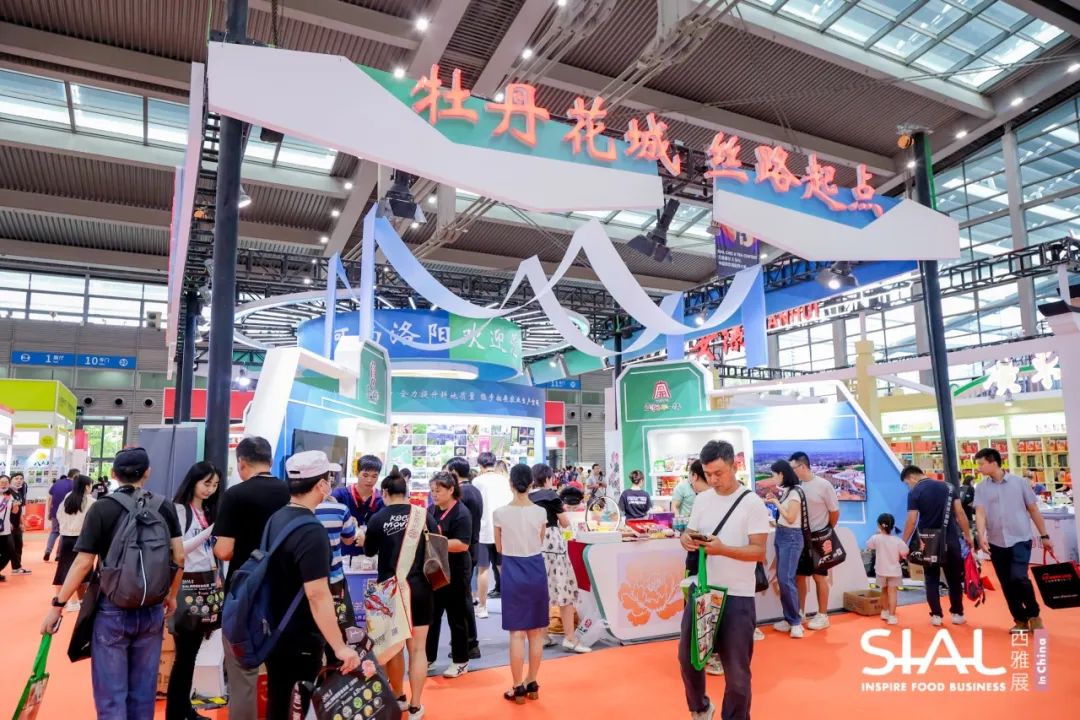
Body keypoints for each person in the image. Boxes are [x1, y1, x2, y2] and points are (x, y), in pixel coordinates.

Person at [41, 448, 185, 720]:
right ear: (147, 472)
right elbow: (179, 556)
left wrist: (57, 606)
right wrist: (172, 595)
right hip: (152, 608)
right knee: (143, 694)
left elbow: (83, 563)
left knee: (111, 696)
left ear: (113, 474)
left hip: (112, 608)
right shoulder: (164, 506)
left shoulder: (102, 508)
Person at [263, 451, 361, 720]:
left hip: (274, 628)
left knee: (279, 701)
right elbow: (317, 595)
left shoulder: (277, 518)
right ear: (321, 484)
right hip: (301, 634)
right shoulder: (311, 529)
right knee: (299, 704)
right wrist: (340, 647)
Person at [679, 441, 769, 720]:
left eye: (718, 473)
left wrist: (723, 549)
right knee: (689, 659)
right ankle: (700, 708)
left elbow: (759, 552)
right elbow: (690, 532)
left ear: (734, 466)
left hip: (738, 596)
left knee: (737, 674)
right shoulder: (703, 500)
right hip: (702, 591)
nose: (713, 480)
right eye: (708, 474)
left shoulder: (752, 503)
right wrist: (686, 539)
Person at [213, 436, 290, 720]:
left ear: (241, 463)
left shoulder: (235, 495)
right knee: (282, 675)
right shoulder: (290, 493)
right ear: (270, 460)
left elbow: (224, 550)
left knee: (243, 673)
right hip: (285, 591)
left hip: (246, 593)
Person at [363, 468, 437, 720]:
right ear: (406, 492)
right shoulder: (423, 515)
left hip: (389, 592)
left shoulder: (377, 518)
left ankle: (399, 697)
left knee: (393, 648)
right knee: (418, 650)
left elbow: (369, 551)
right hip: (421, 589)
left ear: (384, 492)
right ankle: (416, 705)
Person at [973, 448, 1054, 632]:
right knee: (1006, 582)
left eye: (981, 464)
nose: (978, 468)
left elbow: (1033, 509)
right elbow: (980, 512)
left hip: (1020, 538)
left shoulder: (1019, 483)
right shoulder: (981, 488)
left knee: (1019, 577)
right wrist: (981, 535)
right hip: (996, 541)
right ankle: (1020, 619)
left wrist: (1044, 536)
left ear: (993, 463)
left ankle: (1034, 615)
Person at [167, 462, 221, 720]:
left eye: (215, 485)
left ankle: (184, 709)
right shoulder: (180, 510)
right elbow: (180, 549)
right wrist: (210, 531)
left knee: (191, 655)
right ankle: (176, 713)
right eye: (206, 483)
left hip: (206, 585)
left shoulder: (207, 511)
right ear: (194, 481)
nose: (210, 489)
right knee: (184, 656)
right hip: (186, 585)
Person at [495, 464, 550, 703]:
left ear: (511, 484)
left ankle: (517, 686)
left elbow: (499, 547)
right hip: (536, 568)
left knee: (516, 633)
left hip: (512, 570)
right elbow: (540, 540)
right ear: (531, 484)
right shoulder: (540, 512)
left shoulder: (499, 513)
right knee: (535, 632)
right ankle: (532, 681)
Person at [900, 465, 974, 626]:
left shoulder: (915, 493)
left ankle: (936, 615)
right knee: (954, 578)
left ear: (912, 477)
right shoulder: (949, 487)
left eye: (907, 483)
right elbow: (960, 513)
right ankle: (957, 614)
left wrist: (902, 542)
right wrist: (968, 535)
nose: (909, 486)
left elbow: (912, 520)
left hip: (929, 541)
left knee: (931, 578)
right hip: (951, 538)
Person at [529, 463, 589, 653]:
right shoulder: (550, 495)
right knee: (565, 590)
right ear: (548, 478)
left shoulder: (527, 497)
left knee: (542, 592)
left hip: (534, 546)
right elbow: (564, 522)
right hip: (553, 545)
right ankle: (570, 638)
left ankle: (543, 636)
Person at [425, 471, 474, 678]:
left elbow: (462, 544)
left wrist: (433, 541)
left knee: (457, 616)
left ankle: (461, 661)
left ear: (451, 489)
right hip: (435, 569)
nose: (434, 494)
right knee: (432, 616)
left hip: (456, 571)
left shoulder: (462, 513)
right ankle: (428, 658)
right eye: (432, 491)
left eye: (438, 490)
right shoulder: (431, 510)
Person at [789, 451, 840, 630]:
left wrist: (827, 531)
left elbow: (834, 512)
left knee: (820, 577)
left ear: (803, 466)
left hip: (819, 537)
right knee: (800, 577)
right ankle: (800, 613)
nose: (791, 471)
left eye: (793, 468)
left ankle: (822, 615)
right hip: (800, 536)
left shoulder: (823, 485)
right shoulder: (797, 486)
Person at [314, 472, 357, 661]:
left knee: (313, 631)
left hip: (307, 581)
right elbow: (349, 539)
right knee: (340, 626)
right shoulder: (340, 509)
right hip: (335, 580)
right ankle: (336, 668)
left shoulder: (296, 510)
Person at [446, 456, 482, 659]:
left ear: (453, 472)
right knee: (463, 597)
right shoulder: (474, 490)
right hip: (472, 547)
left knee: (462, 599)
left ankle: (468, 642)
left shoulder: (462, 494)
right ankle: (468, 642)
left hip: (462, 551)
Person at [763, 460, 803, 638]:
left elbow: (791, 517)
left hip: (791, 537)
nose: (773, 478)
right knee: (783, 579)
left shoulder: (794, 492)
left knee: (786, 579)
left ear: (782, 474)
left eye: (774, 475)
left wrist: (775, 503)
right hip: (782, 535)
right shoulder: (787, 491)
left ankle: (795, 622)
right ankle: (789, 618)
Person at [473, 451, 511, 618]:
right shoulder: (504, 481)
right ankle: (511, 606)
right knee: (503, 568)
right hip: (502, 530)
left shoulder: (477, 481)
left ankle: (482, 607)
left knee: (483, 570)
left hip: (483, 531)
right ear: (494, 464)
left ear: (480, 465)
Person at [52, 474, 94, 609]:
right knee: (82, 571)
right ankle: (78, 601)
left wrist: (66, 528)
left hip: (65, 538)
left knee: (63, 569)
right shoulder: (91, 501)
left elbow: (59, 515)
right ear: (87, 486)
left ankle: (60, 600)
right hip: (82, 539)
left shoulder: (67, 498)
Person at [331, 455, 385, 553]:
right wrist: (345, 519)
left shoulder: (381, 499)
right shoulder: (340, 494)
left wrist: (369, 542)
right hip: (343, 552)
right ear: (357, 473)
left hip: (369, 554)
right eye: (365, 475)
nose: (369, 480)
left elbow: (384, 530)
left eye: (374, 476)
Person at [866, 513, 908, 625]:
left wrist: (877, 534)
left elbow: (869, 545)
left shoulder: (876, 538)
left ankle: (884, 612)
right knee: (893, 593)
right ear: (893, 526)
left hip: (881, 571)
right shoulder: (898, 540)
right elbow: (905, 551)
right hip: (894, 571)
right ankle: (892, 616)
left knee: (883, 591)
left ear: (879, 526)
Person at [43, 468, 77, 561]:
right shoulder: (74, 485)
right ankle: (59, 555)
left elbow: (51, 498)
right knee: (63, 533)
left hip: (55, 511)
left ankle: (48, 551)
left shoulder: (57, 482)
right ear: (75, 476)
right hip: (67, 513)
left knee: (54, 532)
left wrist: (49, 511)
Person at [0, 474, 20, 582]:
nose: (4, 484)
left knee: (9, 552)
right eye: (1, 482)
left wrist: (16, 506)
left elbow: (14, 512)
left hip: (6, 529)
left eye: (6, 482)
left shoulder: (9, 496)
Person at [9, 471, 28, 574]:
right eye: (16, 478)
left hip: (17, 525)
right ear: (11, 480)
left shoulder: (19, 492)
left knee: (18, 546)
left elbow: (19, 511)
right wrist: (8, 522)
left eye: (21, 479)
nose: (19, 480)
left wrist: (22, 523)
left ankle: (16, 568)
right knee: (8, 548)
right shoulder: (8, 493)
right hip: (8, 526)